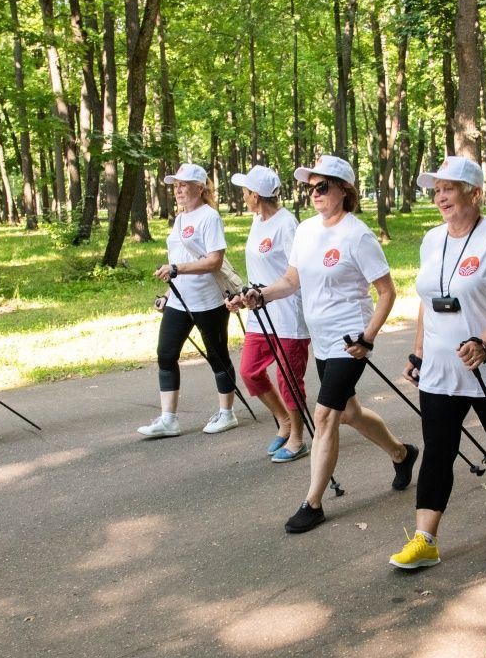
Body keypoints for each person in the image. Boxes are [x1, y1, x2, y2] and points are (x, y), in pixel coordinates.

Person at [231, 155, 417, 534]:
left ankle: (312, 503)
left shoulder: (357, 235)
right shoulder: (306, 231)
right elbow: (290, 281)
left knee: (325, 415)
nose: (314, 193)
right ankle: (402, 453)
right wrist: (258, 295)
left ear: (344, 190)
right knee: (349, 412)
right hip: (322, 341)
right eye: (310, 187)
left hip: (350, 341)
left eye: (322, 186)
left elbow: (386, 292)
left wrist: (368, 337)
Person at [386, 157, 486, 569]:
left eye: (449, 188)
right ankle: (426, 539)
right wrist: (417, 351)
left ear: (474, 193)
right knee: (440, 450)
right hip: (440, 367)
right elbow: (428, 301)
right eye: (436, 189)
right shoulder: (430, 239)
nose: (440, 196)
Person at [139, 162, 240, 438]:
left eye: (184, 184)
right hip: (180, 300)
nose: (178, 189)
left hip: (208, 300)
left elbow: (214, 261)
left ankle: (227, 413)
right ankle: (168, 419)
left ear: (199, 187)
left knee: (217, 356)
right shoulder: (180, 219)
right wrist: (169, 293)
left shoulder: (209, 217)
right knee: (166, 354)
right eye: (175, 185)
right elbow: (178, 260)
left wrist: (177, 270)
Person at [230, 165, 311, 461]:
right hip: (259, 313)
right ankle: (284, 421)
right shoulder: (256, 220)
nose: (242, 196)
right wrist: (244, 296)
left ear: (255, 194)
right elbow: (259, 270)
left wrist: (264, 294)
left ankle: (298, 438)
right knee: (250, 371)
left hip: (288, 313)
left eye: (245, 191)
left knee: (288, 379)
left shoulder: (287, 225)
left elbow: (297, 273)